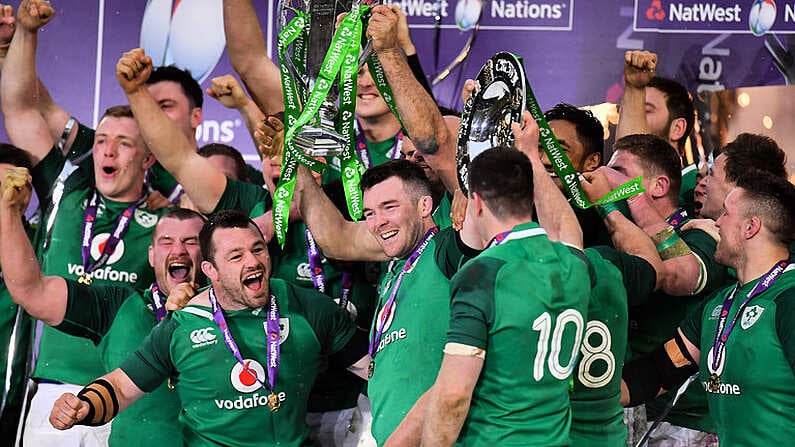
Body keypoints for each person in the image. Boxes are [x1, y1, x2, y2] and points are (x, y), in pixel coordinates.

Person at [48, 210, 371, 446]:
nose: (253, 262)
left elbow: (370, 366)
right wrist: (83, 407)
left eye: (257, 249)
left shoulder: (306, 306)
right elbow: (120, 388)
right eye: (235, 256)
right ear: (210, 270)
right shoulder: (182, 326)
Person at [0, 165, 203, 446]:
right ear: (152, 256)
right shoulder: (120, 306)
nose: (178, 250)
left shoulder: (233, 311)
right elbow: (31, 290)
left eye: (191, 241)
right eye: (167, 242)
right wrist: (9, 213)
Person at [294, 158, 479, 445]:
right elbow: (336, 238)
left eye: (389, 207)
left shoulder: (447, 249)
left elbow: (440, 143)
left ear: (425, 207)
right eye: (369, 213)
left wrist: (465, 190)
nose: (378, 222)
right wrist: (298, 164)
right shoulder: (395, 272)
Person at [420, 147, 591, 446]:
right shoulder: (576, 265)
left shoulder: (482, 273)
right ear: (531, 194)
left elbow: (454, 395)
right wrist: (532, 155)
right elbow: (566, 228)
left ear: (477, 202)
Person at [621, 172, 795, 445]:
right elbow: (659, 371)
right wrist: (591, 388)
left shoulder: (788, 298)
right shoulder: (719, 303)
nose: (717, 223)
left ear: (750, 227)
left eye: (726, 213)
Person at [589, 134, 730, 443]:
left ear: (659, 186)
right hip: (626, 399)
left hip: (683, 420)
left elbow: (663, 273)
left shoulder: (702, 236)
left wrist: (611, 205)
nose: (605, 179)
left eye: (620, 174)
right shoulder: (614, 232)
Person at [115, 48, 272, 229]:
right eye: (146, 106)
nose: (153, 114)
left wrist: (246, 107)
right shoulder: (124, 169)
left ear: (195, 117)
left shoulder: (228, 168)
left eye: (165, 106)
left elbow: (285, 182)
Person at [616, 50, 698, 214]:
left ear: (677, 128)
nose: (632, 118)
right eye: (630, 110)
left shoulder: (693, 190)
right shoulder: (609, 177)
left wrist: (635, 89)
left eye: (645, 110)